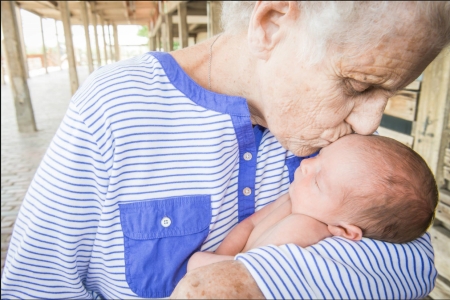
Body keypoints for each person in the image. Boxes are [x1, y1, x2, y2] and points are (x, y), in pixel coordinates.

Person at [1, 1, 449, 299]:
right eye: (358, 84)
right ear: (270, 23)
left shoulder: (334, 141)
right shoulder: (115, 107)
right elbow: (33, 287)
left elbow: (411, 260)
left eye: (388, 94)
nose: (369, 124)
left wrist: (248, 281)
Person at [186, 134, 438, 272]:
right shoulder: (293, 198)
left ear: (345, 231)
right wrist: (220, 257)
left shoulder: (310, 234)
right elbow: (249, 226)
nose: (305, 165)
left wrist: (210, 266)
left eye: (318, 181)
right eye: (319, 158)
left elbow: (263, 273)